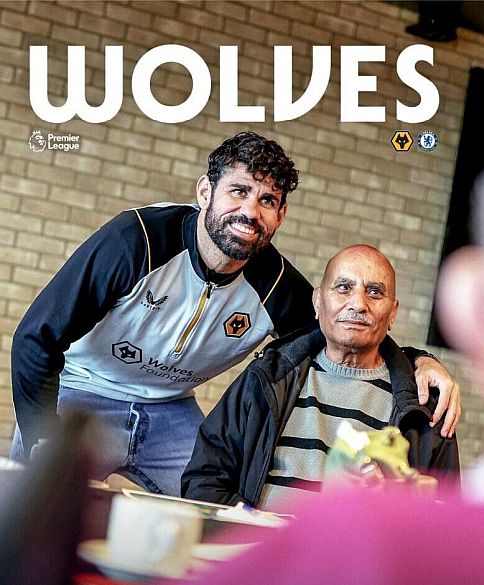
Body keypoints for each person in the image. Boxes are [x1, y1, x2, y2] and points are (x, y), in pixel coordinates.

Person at [11, 133, 459, 495]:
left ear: (280, 215)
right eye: (239, 191)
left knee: (204, 506)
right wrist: (41, 435)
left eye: (267, 200)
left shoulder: (275, 284)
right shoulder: (136, 240)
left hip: (170, 408)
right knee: (37, 516)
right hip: (83, 390)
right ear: (205, 192)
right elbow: (36, 337)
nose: (250, 211)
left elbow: (346, 327)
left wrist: (419, 360)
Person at [182, 245, 460, 508]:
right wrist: (252, 531)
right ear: (317, 301)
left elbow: (445, 518)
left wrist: (389, 509)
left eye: (375, 292)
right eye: (344, 287)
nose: (358, 304)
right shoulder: (268, 377)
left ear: (393, 312)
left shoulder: (426, 408)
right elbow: (205, 478)